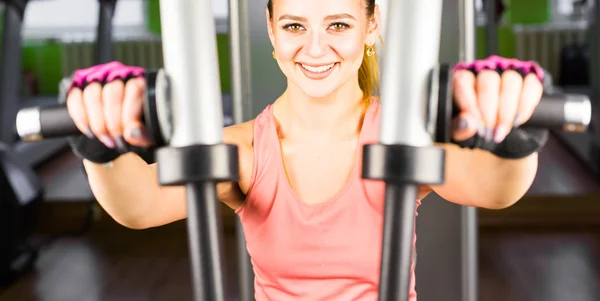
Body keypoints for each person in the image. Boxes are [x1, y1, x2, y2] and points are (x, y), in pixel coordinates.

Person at [64, 0, 546, 300]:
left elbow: (494, 187)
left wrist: (513, 132)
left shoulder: (400, 134)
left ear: (370, 26)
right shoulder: (247, 147)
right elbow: (139, 206)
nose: (315, 49)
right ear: (272, 32)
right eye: (295, 26)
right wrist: (100, 137)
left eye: (338, 25)